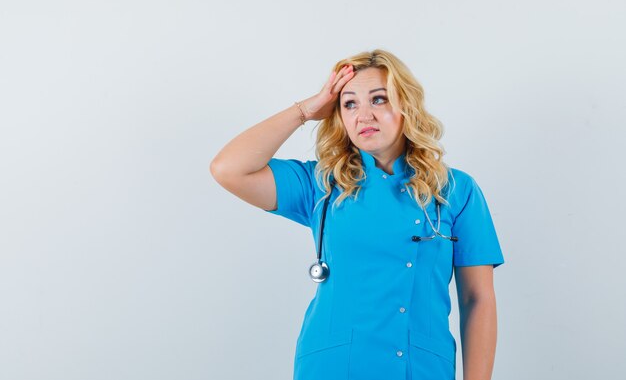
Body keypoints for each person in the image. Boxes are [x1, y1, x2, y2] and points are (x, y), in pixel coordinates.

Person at [210, 49, 505, 380]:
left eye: (378, 100)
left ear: (406, 106)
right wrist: (306, 110)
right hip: (333, 367)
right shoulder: (320, 184)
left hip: (420, 368)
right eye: (349, 104)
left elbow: (476, 298)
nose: (363, 114)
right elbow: (229, 169)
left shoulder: (455, 190)